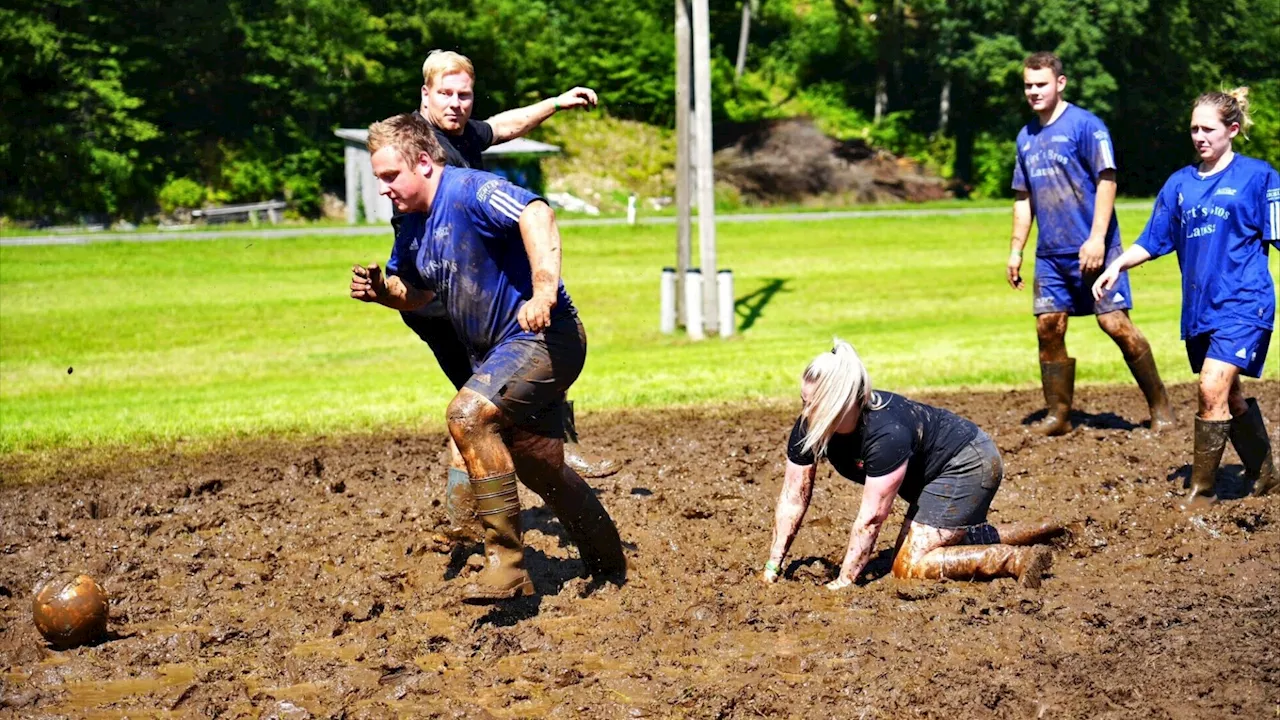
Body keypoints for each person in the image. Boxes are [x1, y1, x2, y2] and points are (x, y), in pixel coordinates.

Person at [350, 113, 625, 601]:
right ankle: (609, 563)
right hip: (501, 354)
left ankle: (508, 566)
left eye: (391, 176)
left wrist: (542, 293)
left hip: (548, 338)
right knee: (541, 468)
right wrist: (382, 292)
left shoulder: (471, 190)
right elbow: (414, 292)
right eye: (379, 179)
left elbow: (536, 212)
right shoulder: (411, 226)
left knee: (467, 414)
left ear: (424, 163)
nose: (383, 188)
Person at [399, 50, 618, 513]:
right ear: (425, 94)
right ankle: (474, 509)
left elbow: (503, 126)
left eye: (465, 95)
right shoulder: (417, 142)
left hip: (475, 291)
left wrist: (555, 103)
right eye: (445, 94)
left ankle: (466, 513)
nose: (457, 104)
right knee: (479, 406)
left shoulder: (459, 132)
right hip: (443, 301)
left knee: (482, 400)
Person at [1094, 88, 1279, 507]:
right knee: (1228, 396)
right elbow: (1154, 239)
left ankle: (1202, 492)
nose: (1199, 136)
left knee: (1211, 387)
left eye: (1208, 128)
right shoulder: (1179, 184)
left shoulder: (1259, 176)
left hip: (1246, 302)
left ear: (1232, 130)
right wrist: (1117, 265)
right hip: (1200, 308)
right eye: (1194, 128)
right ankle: (1266, 476)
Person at [763, 341, 1063, 590]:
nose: (806, 413)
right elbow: (793, 496)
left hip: (966, 463)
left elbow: (871, 519)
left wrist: (844, 581)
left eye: (814, 405)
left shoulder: (885, 433)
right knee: (925, 546)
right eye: (804, 401)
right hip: (933, 474)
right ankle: (1044, 529)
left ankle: (1015, 560)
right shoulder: (811, 425)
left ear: (841, 402)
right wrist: (773, 564)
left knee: (908, 565)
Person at [1007, 52, 1174, 436]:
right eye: (1028, 85)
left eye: (1041, 84)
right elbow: (1023, 198)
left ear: (1060, 83)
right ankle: (1059, 415)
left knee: (1114, 324)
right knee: (1048, 327)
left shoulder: (1086, 126)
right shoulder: (1026, 137)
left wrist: (1097, 238)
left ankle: (1160, 405)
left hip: (1095, 247)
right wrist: (1016, 248)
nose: (1033, 91)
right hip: (1050, 254)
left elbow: (1107, 179)